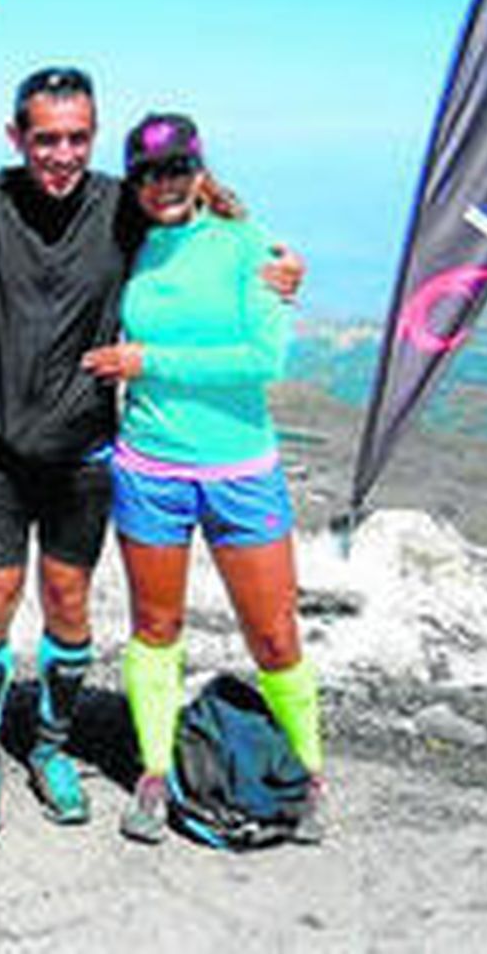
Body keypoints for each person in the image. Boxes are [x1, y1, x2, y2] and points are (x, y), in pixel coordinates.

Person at [0, 70, 303, 835]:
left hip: (84, 449)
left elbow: (210, 243)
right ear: (17, 137)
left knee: (69, 603)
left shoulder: (122, 207)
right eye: (46, 138)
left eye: (77, 138)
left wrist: (279, 268)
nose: (62, 153)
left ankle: (51, 748)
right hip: (0, 447)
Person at [81, 113, 324, 845]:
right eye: (148, 173)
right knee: (157, 628)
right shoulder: (127, 243)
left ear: (199, 169)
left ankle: (309, 776)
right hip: (149, 467)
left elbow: (264, 359)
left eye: (176, 169)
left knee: (274, 635)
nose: (163, 184)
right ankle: (155, 772)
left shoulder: (248, 245)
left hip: (240, 468)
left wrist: (148, 362)